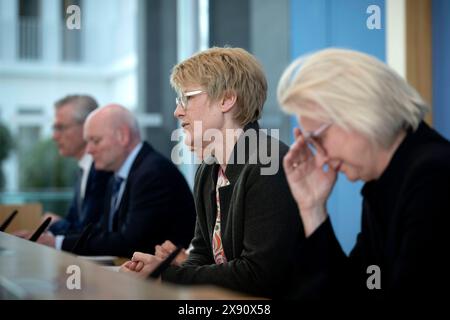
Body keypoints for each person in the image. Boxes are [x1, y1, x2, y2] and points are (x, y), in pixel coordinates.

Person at [121, 47, 304, 299]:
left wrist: (166, 276)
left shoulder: (267, 164)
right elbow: (203, 253)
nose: (178, 111)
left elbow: (259, 275)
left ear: (227, 100)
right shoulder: (209, 169)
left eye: (188, 97)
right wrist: (161, 270)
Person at [276, 48, 450, 301]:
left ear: (356, 111)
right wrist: (312, 208)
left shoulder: (434, 176)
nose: (322, 159)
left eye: (320, 138)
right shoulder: (385, 182)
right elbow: (353, 293)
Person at [38, 104, 196, 258]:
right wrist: (56, 240)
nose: (88, 150)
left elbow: (129, 243)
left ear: (123, 136)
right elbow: (102, 232)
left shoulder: (152, 173)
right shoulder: (118, 174)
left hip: (167, 282)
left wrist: (58, 243)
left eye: (96, 140)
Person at [15, 95, 111, 237]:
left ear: (87, 126)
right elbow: (74, 223)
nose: (54, 136)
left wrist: (55, 223)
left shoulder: (102, 169)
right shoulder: (83, 168)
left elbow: (87, 231)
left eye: (60, 127)